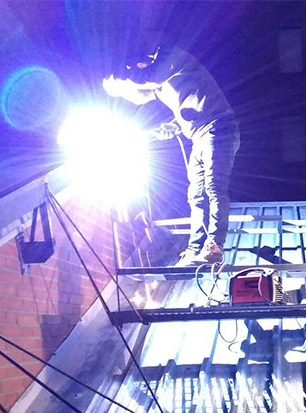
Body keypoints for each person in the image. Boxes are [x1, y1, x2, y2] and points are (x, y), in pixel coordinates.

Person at [103, 45, 240, 266]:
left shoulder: (174, 58)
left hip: (219, 130)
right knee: (196, 195)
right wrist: (166, 128)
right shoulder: (161, 85)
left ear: (144, 59)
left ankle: (214, 246)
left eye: (136, 65)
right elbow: (142, 95)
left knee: (213, 188)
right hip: (199, 136)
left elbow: (149, 78)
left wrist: (119, 82)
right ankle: (194, 249)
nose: (136, 69)